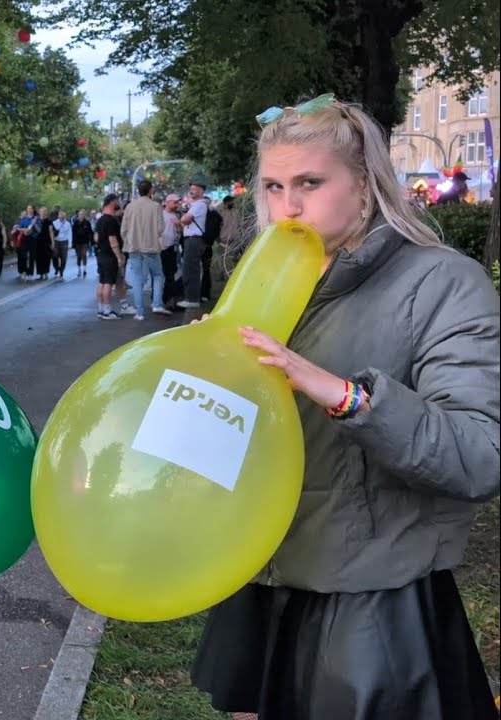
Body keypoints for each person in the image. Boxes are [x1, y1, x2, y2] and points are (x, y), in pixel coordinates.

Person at [190, 95, 501, 720]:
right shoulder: (266, 280)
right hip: (263, 573)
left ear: (365, 184)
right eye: (274, 186)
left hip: (370, 592)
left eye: (310, 183)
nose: (289, 207)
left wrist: (344, 395)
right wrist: (205, 380)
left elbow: (481, 455)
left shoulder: (442, 282)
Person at [119, 180, 170, 319]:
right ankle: (157, 304)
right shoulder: (156, 206)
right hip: (151, 247)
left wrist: (129, 241)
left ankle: (139, 312)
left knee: (137, 279)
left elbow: (123, 230)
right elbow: (161, 228)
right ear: (150, 190)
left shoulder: (130, 206)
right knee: (158, 275)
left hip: (134, 248)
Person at [175, 180, 209, 308]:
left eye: (194, 189)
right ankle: (191, 297)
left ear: (201, 190)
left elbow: (185, 219)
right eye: (191, 189)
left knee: (191, 269)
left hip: (194, 240)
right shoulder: (197, 204)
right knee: (190, 268)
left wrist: (182, 220)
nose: (191, 191)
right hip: (193, 240)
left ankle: (192, 299)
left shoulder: (199, 204)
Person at [93, 194, 125, 320]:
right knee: (108, 283)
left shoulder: (100, 220)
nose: (119, 203)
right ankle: (107, 310)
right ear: (112, 202)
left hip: (101, 254)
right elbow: (113, 240)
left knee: (101, 282)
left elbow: (96, 238)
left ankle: (100, 309)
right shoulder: (111, 221)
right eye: (117, 201)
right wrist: (119, 257)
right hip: (110, 256)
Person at [72, 209, 94, 278]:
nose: (81, 216)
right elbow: (73, 233)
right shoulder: (76, 223)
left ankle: (84, 269)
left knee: (84, 254)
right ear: (78, 215)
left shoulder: (87, 223)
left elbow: (90, 232)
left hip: (85, 242)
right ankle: (79, 270)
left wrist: (92, 241)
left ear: (84, 215)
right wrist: (73, 243)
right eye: (80, 214)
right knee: (79, 256)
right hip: (77, 242)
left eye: (82, 214)